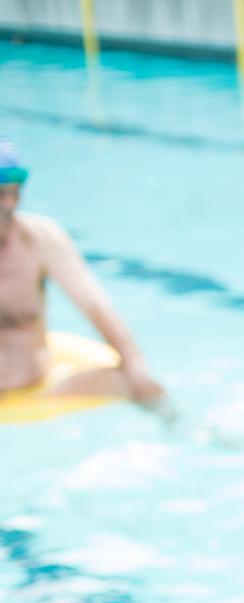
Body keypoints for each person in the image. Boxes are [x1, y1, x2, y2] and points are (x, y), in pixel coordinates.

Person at [0, 140, 168, 409]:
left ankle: (197, 436)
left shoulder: (40, 238)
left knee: (136, 382)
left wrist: (135, 364)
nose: (9, 203)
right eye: (0, 194)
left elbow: (95, 306)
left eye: (15, 193)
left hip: (40, 388)